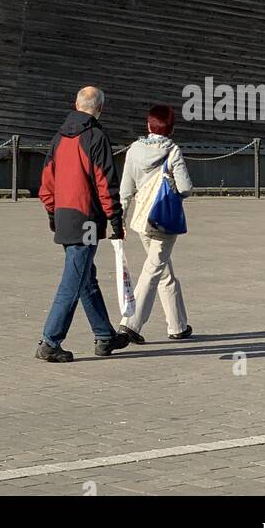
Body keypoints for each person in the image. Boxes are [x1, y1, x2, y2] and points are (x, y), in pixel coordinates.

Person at [36, 85, 127, 362]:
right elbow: (105, 182)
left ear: (76, 104)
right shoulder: (96, 137)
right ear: (100, 108)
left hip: (64, 214)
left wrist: (53, 214)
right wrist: (115, 219)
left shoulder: (58, 137)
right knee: (73, 282)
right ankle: (50, 341)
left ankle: (105, 336)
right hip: (86, 217)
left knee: (85, 277)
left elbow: (46, 183)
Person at [118, 103, 193, 343]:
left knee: (163, 270)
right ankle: (131, 324)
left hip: (141, 219)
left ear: (148, 125)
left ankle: (178, 325)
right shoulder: (173, 151)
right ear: (170, 129)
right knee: (153, 269)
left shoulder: (133, 150)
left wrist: (119, 220)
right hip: (163, 220)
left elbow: (125, 190)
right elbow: (185, 188)